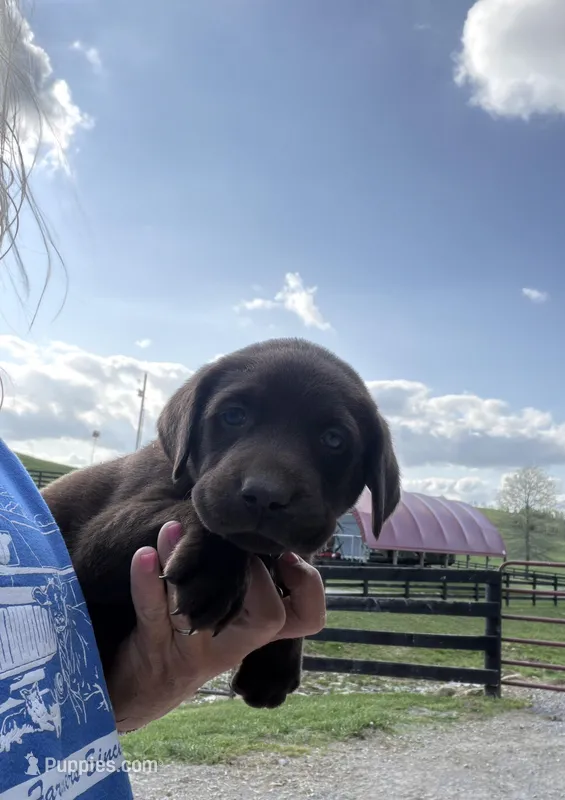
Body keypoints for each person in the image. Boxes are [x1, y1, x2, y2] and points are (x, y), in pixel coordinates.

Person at [0, 3, 326, 797]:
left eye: (334, 444)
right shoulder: (160, 478)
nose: (273, 477)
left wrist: (145, 688)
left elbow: (33, 728)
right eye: (237, 418)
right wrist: (222, 540)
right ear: (185, 427)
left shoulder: (10, 483)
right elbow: (118, 547)